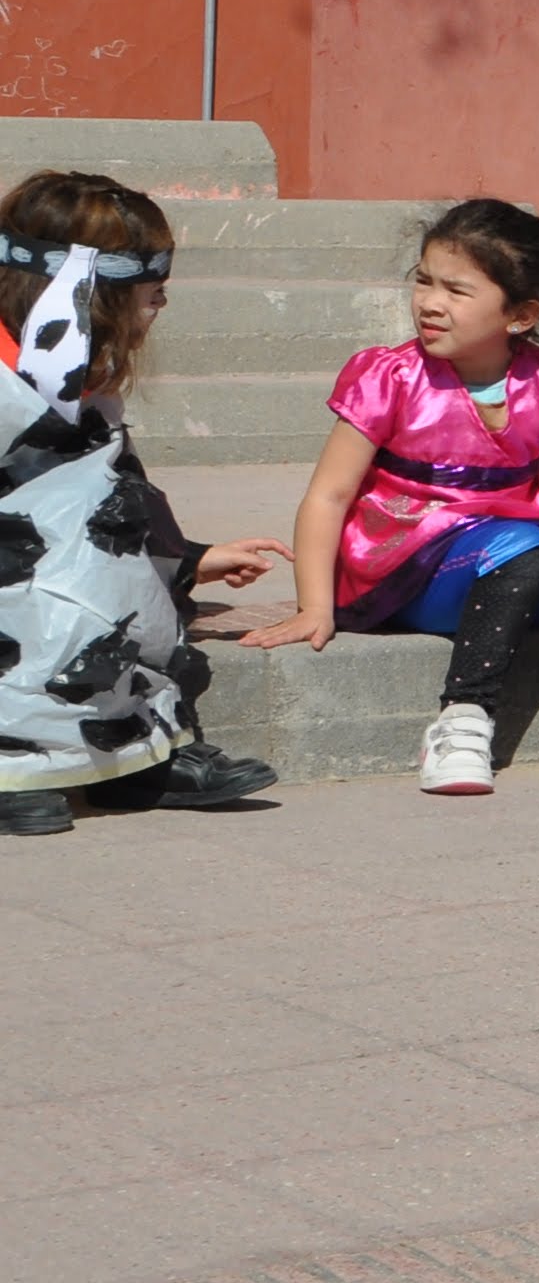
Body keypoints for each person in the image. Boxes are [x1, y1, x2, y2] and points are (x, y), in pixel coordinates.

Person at [262, 198, 539, 794]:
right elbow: (329, 495)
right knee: (517, 545)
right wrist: (315, 606)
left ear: (521, 315)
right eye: (424, 281)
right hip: (409, 571)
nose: (430, 303)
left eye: (456, 291)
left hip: (512, 560)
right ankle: (463, 717)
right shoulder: (390, 376)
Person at [2, 171, 288, 834]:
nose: (160, 302)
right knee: (48, 604)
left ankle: (133, 757)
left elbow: (113, 492)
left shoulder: (82, 381)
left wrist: (189, 560)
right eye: (149, 290)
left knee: (133, 605)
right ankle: (15, 762)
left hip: (57, 566)